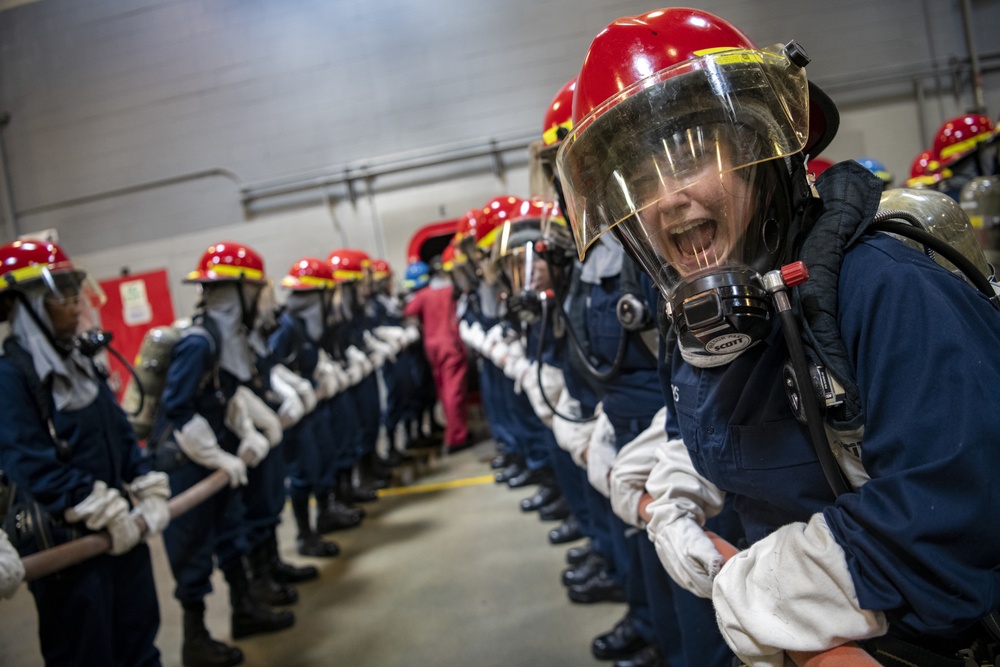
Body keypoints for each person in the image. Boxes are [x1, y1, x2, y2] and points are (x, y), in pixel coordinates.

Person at [557, 7, 1000, 666]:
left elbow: (955, 525)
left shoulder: (886, 288)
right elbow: (703, 429)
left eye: (691, 155)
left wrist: (760, 587)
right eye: (642, 179)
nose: (668, 199)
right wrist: (675, 494)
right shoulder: (693, 319)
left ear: (760, 151)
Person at [0, 240, 164, 666]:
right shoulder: (10, 377)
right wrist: (99, 506)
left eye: (77, 294)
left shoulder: (82, 362)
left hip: (118, 526)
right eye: (61, 296)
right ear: (26, 304)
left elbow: (119, 430)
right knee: (87, 653)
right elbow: (30, 462)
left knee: (140, 640)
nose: (74, 307)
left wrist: (145, 481)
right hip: (66, 544)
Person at [153, 241, 293, 667]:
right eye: (254, 291)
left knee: (231, 533)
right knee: (193, 551)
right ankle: (195, 641)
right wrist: (217, 457)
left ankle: (243, 609)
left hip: (214, 456)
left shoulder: (225, 337)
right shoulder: (199, 342)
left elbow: (224, 394)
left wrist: (247, 430)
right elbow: (177, 409)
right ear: (235, 293)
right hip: (187, 465)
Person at [404, 246, 469, 453]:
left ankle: (453, 432)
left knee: (444, 391)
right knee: (454, 393)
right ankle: (456, 437)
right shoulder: (451, 291)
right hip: (450, 345)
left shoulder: (423, 295)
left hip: (432, 347)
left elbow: (408, 311)